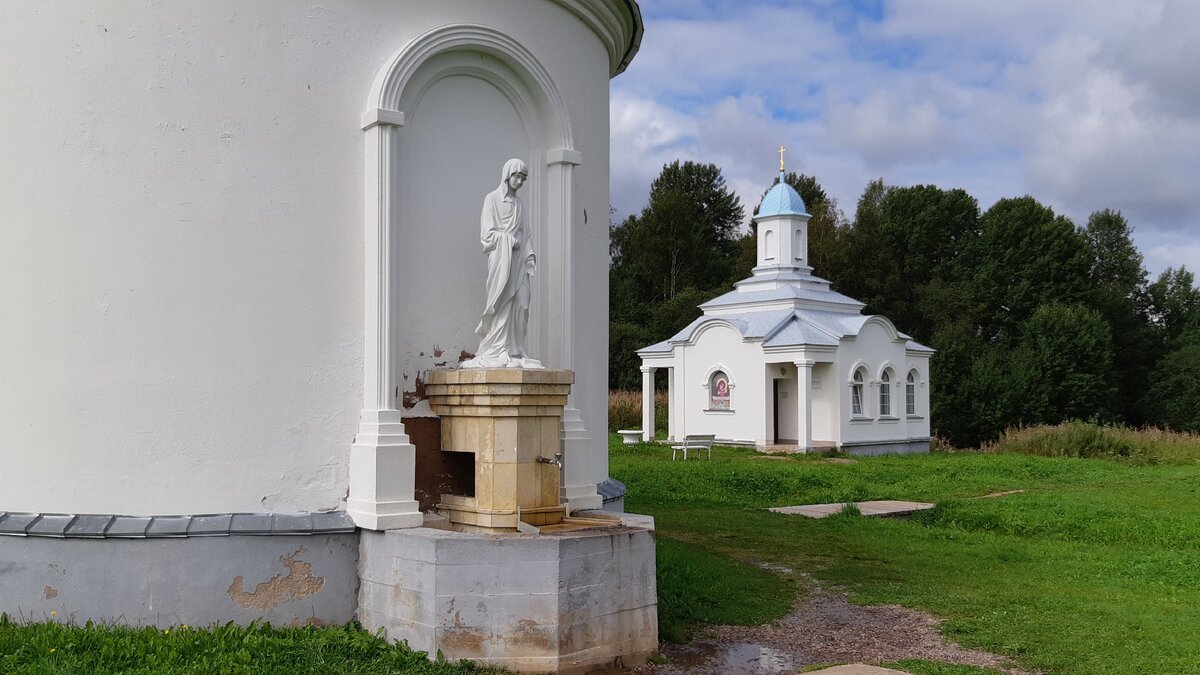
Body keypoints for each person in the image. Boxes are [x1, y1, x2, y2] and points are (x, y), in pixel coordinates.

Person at [463, 158, 543, 369]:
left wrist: (530, 255)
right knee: (502, 304)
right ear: (507, 175)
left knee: (523, 304)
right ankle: (498, 348)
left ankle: (515, 349)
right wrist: (507, 240)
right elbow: (486, 235)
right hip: (501, 260)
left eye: (523, 178)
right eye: (517, 176)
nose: (520, 182)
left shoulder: (519, 204)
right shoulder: (492, 200)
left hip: (518, 262)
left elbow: (526, 234)